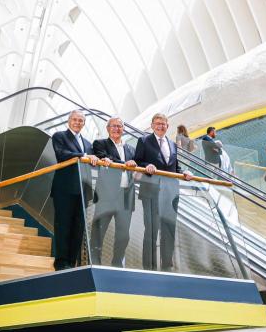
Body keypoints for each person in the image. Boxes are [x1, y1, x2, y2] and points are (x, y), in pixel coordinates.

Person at [134, 113, 193, 271]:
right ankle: (149, 266)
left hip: (171, 192)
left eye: (163, 124)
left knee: (169, 228)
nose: (160, 126)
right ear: (152, 125)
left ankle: (167, 265)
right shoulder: (143, 140)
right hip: (151, 190)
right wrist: (147, 166)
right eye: (157, 123)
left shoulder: (172, 144)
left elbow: (174, 167)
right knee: (152, 230)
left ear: (167, 126)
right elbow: (138, 160)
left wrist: (184, 173)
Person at [50, 110, 97, 270]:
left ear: (84, 124)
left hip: (83, 190)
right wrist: (83, 155)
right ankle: (61, 262)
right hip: (64, 189)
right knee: (63, 225)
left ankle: (72, 262)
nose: (78, 122)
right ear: (69, 121)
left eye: (81, 121)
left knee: (78, 227)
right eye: (75, 119)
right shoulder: (59, 136)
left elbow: (93, 161)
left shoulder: (89, 144)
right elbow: (62, 154)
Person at [90, 117, 137, 267]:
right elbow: (106, 157)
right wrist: (126, 164)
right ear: (108, 128)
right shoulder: (100, 143)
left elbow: (139, 164)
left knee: (124, 235)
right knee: (99, 232)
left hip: (126, 197)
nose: (117, 129)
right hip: (106, 196)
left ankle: (117, 263)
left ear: (123, 129)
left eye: (119, 126)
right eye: (114, 126)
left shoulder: (130, 149)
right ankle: (95, 263)